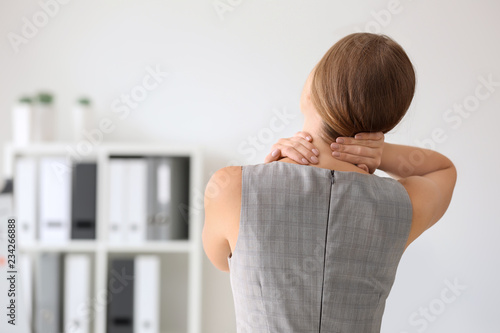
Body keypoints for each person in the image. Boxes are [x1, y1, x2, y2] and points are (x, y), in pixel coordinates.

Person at [203, 32, 457, 332]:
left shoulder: (231, 187)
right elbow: (443, 169)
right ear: (389, 119)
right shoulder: (405, 205)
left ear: (312, 91)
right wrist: (380, 151)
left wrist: (264, 173)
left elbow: (225, 261)